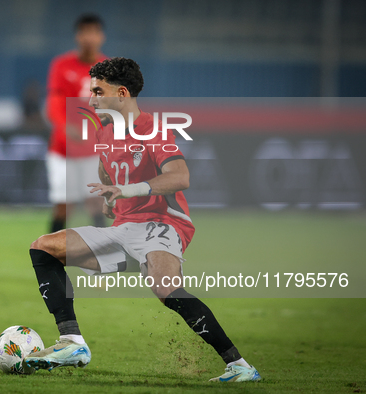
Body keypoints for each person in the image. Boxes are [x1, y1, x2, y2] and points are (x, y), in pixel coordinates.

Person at [25, 57, 261, 383]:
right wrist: (111, 197)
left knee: (165, 287)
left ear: (121, 94)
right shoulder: (104, 132)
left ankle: (239, 366)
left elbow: (180, 176)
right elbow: (106, 169)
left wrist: (127, 189)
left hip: (161, 226)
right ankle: (72, 342)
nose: (90, 98)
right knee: (43, 248)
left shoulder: (154, 130)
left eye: (98, 90)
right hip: (124, 229)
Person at [45, 13, 107, 233]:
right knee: (63, 206)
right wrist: (65, 127)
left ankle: (103, 252)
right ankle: (50, 256)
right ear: (77, 36)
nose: (89, 37)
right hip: (63, 150)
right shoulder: (61, 65)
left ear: (102, 37)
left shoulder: (109, 69)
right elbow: (53, 104)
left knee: (96, 205)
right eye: (85, 32)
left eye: (94, 32)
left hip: (92, 152)